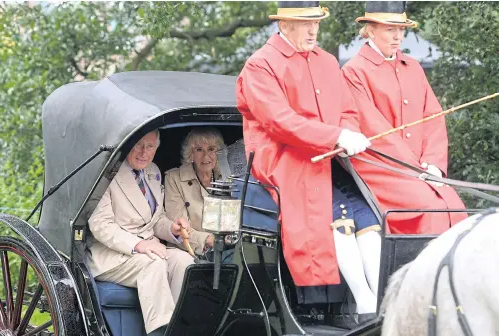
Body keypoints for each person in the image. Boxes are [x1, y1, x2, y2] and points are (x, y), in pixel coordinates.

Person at [236, 1, 382, 318]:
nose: (313, 29)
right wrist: (334, 137)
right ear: (284, 25)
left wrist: (349, 133)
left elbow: (347, 111)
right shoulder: (260, 66)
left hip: (329, 158)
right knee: (335, 209)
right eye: (305, 23)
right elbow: (280, 122)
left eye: (315, 22)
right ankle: (365, 299)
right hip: (284, 159)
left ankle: (378, 297)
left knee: (366, 210)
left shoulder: (328, 62)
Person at [342, 1, 467, 235]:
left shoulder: (413, 67)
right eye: (391, 29)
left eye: (401, 29)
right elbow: (374, 130)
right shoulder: (354, 71)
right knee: (430, 208)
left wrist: (433, 164)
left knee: (455, 207)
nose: (398, 36)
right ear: (370, 29)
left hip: (420, 167)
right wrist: (415, 169)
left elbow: (433, 117)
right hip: (382, 167)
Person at [87, 129, 194, 336]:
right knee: (154, 263)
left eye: (150, 146)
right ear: (127, 145)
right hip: (112, 254)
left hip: (148, 248)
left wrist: (172, 229)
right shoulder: (107, 173)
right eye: (138, 145)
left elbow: (156, 220)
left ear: (157, 148)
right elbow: (100, 225)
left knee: (185, 261)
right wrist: (138, 244)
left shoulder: (153, 172)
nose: (144, 152)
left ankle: (179, 334)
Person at [164, 128, 224, 256]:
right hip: (189, 252)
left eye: (211, 149)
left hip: (226, 250)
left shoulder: (226, 176)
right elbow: (179, 228)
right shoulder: (174, 178)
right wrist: (207, 240)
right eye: (199, 150)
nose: (206, 156)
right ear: (190, 154)